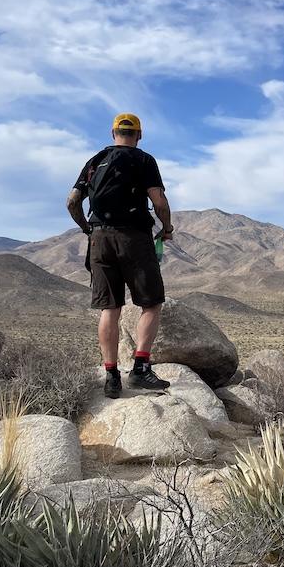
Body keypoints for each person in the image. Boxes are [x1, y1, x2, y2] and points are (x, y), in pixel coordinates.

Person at [67, 113, 174, 399]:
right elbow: (159, 202)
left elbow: (72, 201)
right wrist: (167, 227)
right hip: (134, 238)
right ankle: (140, 368)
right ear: (139, 135)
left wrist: (87, 229)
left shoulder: (94, 161)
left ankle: (112, 376)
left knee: (109, 309)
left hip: (100, 239)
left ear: (113, 132)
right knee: (151, 303)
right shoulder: (144, 160)